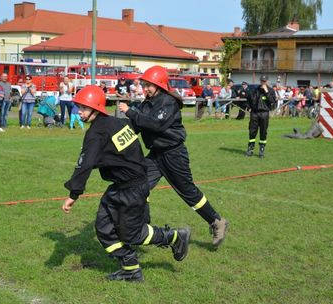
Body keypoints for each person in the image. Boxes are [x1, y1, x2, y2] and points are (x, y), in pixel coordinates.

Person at [62, 85, 190, 282]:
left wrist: (73, 194)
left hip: (132, 188)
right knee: (103, 228)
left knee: (132, 235)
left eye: (84, 108)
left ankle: (174, 237)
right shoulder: (117, 123)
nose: (80, 111)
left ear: (96, 108)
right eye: (79, 107)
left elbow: (84, 165)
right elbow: (127, 152)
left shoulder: (95, 134)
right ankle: (130, 268)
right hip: (124, 186)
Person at [118, 65, 229, 247]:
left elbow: (156, 125)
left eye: (148, 85)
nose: (145, 89)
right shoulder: (146, 104)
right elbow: (135, 127)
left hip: (173, 154)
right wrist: (110, 129)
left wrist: (130, 112)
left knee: (188, 192)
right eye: (144, 85)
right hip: (155, 155)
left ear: (159, 85)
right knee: (140, 185)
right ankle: (145, 230)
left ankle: (217, 221)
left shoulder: (168, 102)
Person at [245, 75, 275, 158]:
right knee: (252, 131)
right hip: (254, 113)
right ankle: (250, 148)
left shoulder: (271, 90)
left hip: (264, 113)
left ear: (267, 81)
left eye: (264, 81)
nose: (263, 82)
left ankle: (261, 149)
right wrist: (249, 107)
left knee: (263, 132)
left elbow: (272, 101)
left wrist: (266, 92)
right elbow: (248, 100)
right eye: (262, 81)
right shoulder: (255, 90)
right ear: (260, 81)